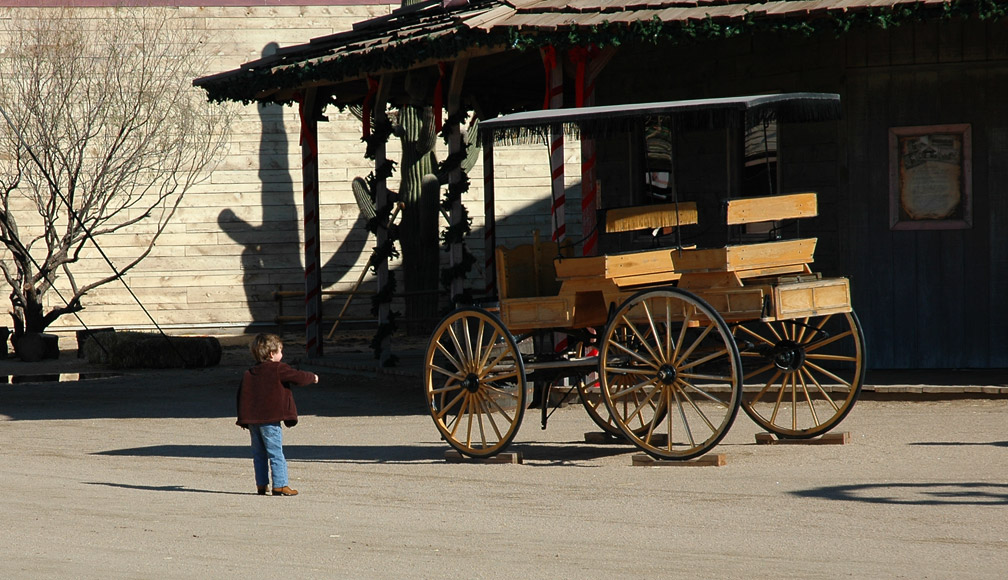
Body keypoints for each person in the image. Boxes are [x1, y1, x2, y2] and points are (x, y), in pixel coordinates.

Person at [236, 333, 318, 496]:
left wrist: (244, 419)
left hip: (253, 421)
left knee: (259, 454)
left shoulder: (250, 372)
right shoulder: (278, 369)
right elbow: (297, 377)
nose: (282, 354)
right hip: (270, 420)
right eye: (281, 351)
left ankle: (261, 484)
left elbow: (241, 396)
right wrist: (313, 377)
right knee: (275, 452)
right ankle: (280, 484)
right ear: (272, 354)